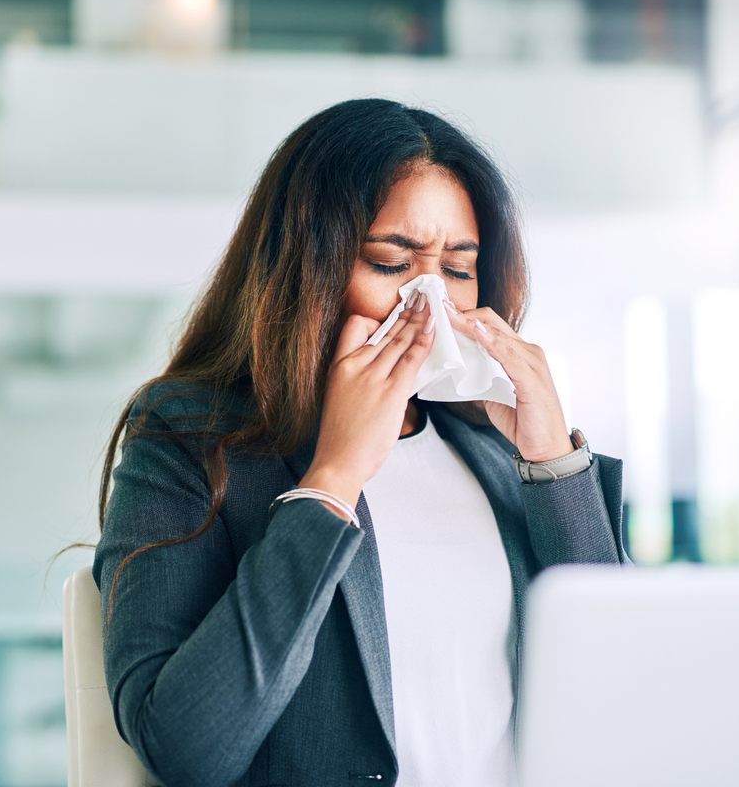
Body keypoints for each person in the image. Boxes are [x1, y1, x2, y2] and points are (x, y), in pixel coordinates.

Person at [93, 98, 628, 787]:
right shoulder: (187, 434)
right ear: (302, 272)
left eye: (457, 271)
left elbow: (617, 694)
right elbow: (189, 748)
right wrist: (334, 477)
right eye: (388, 262)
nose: (428, 304)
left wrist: (556, 464)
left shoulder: (494, 447)